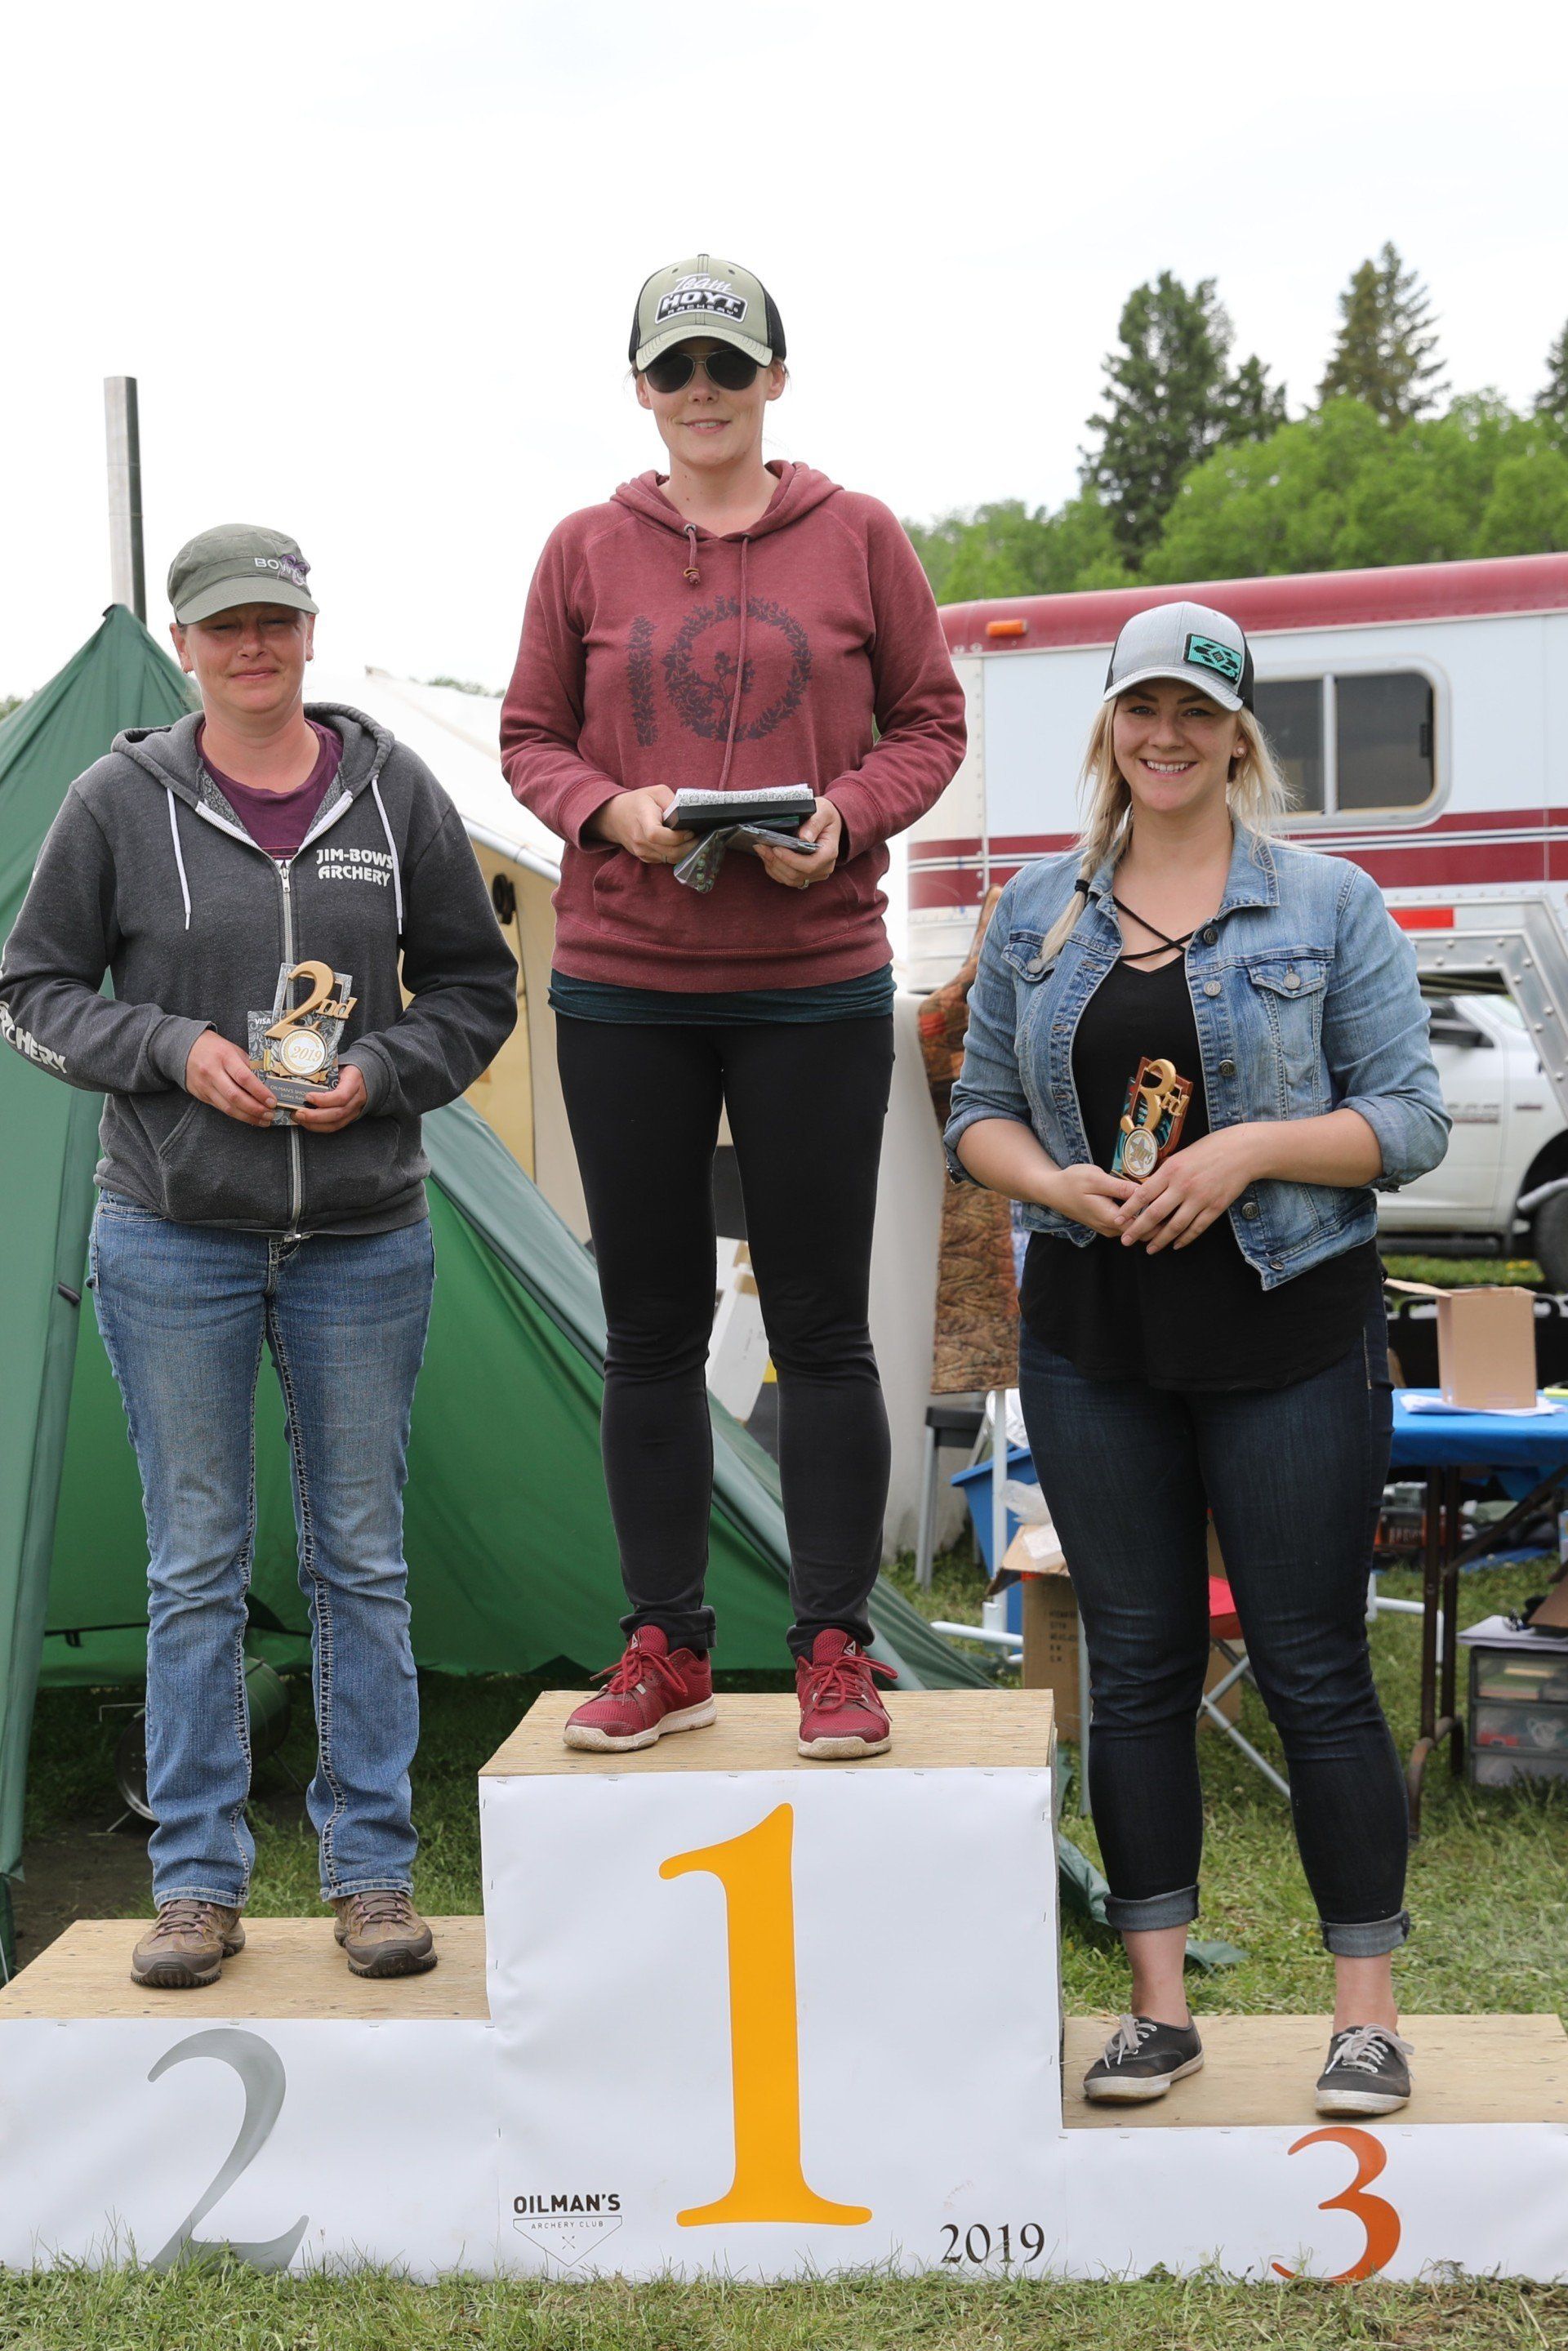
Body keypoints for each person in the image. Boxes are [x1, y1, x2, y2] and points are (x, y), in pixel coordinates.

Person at [947, 601, 1449, 2117]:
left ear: (1240, 735)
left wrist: (1243, 1153)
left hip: (1293, 1330)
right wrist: (1053, 1186)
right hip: (1096, 1343)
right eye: (1139, 711)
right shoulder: (1036, 910)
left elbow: (1410, 1121)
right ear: (1108, 727)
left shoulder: (1328, 904)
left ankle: (1365, 2015)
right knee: (1138, 1671)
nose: (1166, 738)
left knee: (1312, 1671)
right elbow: (976, 1108)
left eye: (1196, 712)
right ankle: (1156, 2011)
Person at [0, 525, 517, 1988]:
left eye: (276, 622)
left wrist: (391, 1072)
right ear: (185, 644)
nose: (253, 648)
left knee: (362, 1558)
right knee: (194, 1566)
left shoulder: (390, 787)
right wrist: (171, 1049)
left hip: (363, 1236)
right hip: (171, 1233)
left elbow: (480, 984)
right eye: (226, 626)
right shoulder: (117, 797)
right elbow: (29, 991)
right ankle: (195, 1883)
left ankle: (371, 1874)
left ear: (308, 630)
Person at [501, 253, 966, 1760]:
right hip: (628, 984)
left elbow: (930, 722)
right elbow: (527, 739)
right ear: (642, 390)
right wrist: (608, 813)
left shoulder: (862, 537)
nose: (700, 394)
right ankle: (668, 1644)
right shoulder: (583, 547)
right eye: (673, 370)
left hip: (815, 983)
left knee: (824, 1331)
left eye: (726, 366)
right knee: (650, 1329)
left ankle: (833, 1644)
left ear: (775, 377)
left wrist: (845, 816)